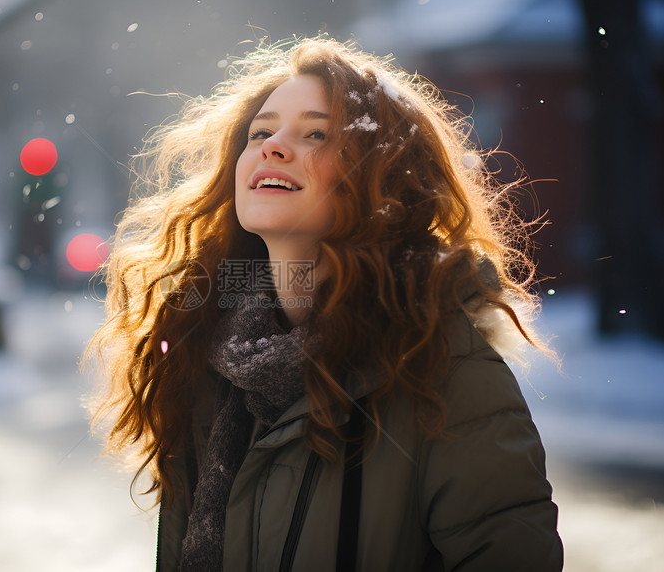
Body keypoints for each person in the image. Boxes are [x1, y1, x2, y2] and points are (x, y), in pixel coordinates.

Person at [86, 35, 563, 571]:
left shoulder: (440, 359)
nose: (272, 146)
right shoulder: (204, 354)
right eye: (260, 132)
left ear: (382, 178)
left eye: (316, 133)